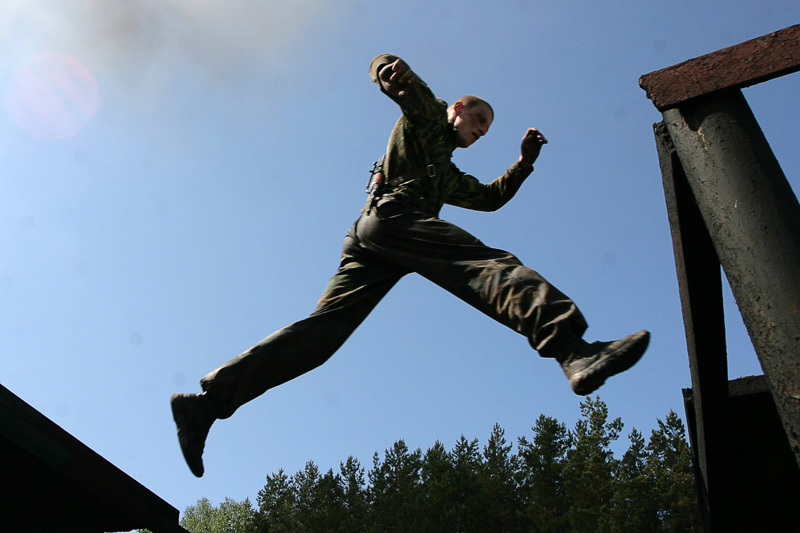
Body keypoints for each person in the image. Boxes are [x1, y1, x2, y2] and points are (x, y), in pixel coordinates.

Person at [171, 54, 649, 477]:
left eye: (486, 129)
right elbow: (397, 79)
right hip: (394, 218)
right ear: (456, 109)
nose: (481, 131)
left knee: (321, 334)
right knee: (485, 265)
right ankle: (571, 348)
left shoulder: (448, 174)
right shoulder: (429, 118)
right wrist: (387, 69)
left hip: (373, 240)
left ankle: (207, 405)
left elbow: (489, 198)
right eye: (478, 119)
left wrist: (523, 163)